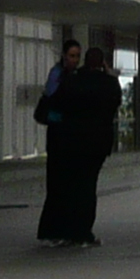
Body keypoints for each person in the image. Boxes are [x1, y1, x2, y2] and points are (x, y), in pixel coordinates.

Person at [39, 45, 123, 246]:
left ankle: (64, 230)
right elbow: (116, 104)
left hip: (71, 142)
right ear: (102, 63)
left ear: (84, 61)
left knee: (70, 186)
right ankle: (83, 232)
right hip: (97, 145)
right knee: (88, 186)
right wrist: (110, 74)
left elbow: (57, 104)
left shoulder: (72, 81)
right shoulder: (110, 84)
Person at [34, 38, 88, 245]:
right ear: (65, 56)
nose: (75, 60)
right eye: (72, 56)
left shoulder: (74, 76)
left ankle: (64, 229)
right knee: (57, 184)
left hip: (68, 135)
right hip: (59, 135)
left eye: (77, 56)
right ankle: (52, 230)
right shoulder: (57, 75)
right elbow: (51, 97)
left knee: (68, 185)